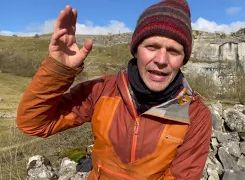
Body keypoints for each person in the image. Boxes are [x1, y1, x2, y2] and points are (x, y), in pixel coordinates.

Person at [16, 0, 212, 179]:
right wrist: (58, 70)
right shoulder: (101, 90)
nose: (161, 60)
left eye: (173, 51)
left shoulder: (195, 115)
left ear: (183, 59)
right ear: (135, 49)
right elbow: (34, 124)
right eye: (151, 47)